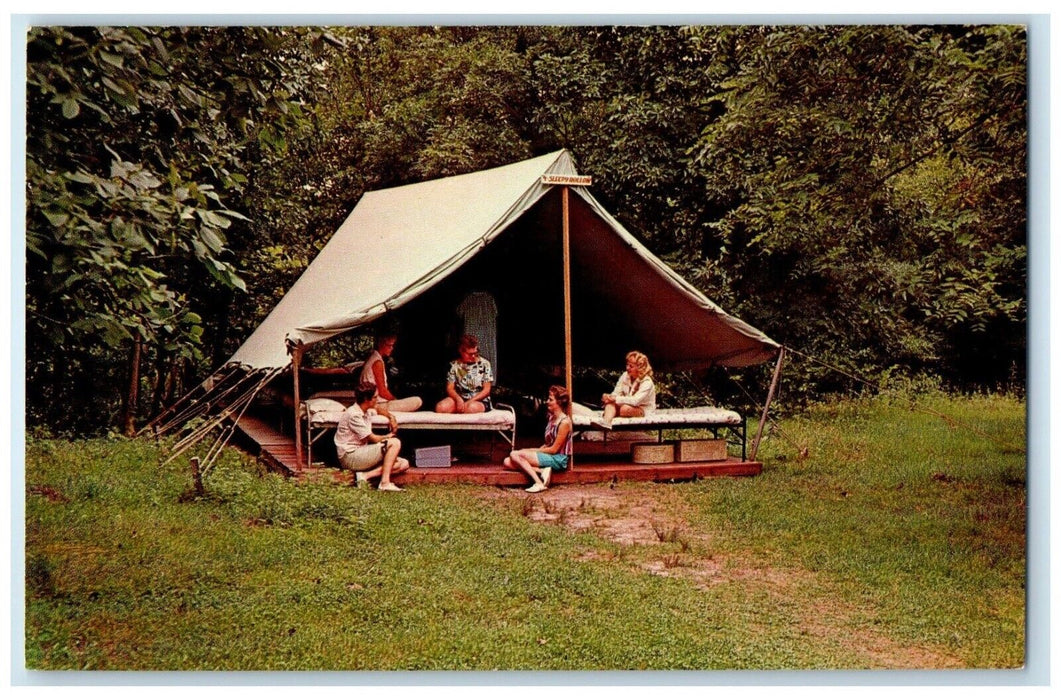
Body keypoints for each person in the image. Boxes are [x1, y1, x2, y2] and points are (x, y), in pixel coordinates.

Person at [334, 382, 410, 492]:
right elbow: (373, 438)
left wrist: (391, 417)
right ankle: (385, 483)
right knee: (395, 443)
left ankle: (364, 476)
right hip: (350, 456)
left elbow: (379, 409)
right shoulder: (354, 414)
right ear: (366, 399)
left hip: (362, 453)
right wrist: (390, 436)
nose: (377, 400)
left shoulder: (366, 410)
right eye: (375, 397)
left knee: (403, 464)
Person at [503, 385, 572, 493]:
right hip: (549, 454)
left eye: (550, 399)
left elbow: (554, 450)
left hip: (558, 459)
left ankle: (539, 482)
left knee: (515, 454)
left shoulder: (564, 423)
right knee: (507, 462)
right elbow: (547, 444)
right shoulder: (551, 417)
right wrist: (530, 451)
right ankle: (541, 471)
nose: (547, 402)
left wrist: (530, 450)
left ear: (558, 402)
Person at [359, 332, 423, 415]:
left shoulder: (372, 358)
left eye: (392, 346)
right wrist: (395, 400)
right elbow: (382, 391)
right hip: (377, 404)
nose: (392, 348)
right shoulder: (377, 362)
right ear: (381, 344)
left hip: (374, 402)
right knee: (418, 400)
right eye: (389, 346)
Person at [592, 350, 656, 429]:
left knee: (624, 409)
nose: (627, 368)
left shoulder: (647, 382)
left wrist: (615, 399)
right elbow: (616, 392)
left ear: (639, 368)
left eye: (631, 366)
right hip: (625, 405)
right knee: (610, 404)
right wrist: (609, 397)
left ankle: (611, 413)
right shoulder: (625, 376)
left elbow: (635, 401)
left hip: (643, 410)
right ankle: (606, 423)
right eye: (627, 365)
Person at [435, 334, 494, 414]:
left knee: (470, 408)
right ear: (461, 351)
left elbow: (486, 390)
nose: (473, 356)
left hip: (478, 400)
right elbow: (450, 388)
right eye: (470, 354)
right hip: (460, 397)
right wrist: (458, 399)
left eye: (475, 353)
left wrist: (470, 401)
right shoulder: (454, 365)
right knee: (441, 407)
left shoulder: (484, 364)